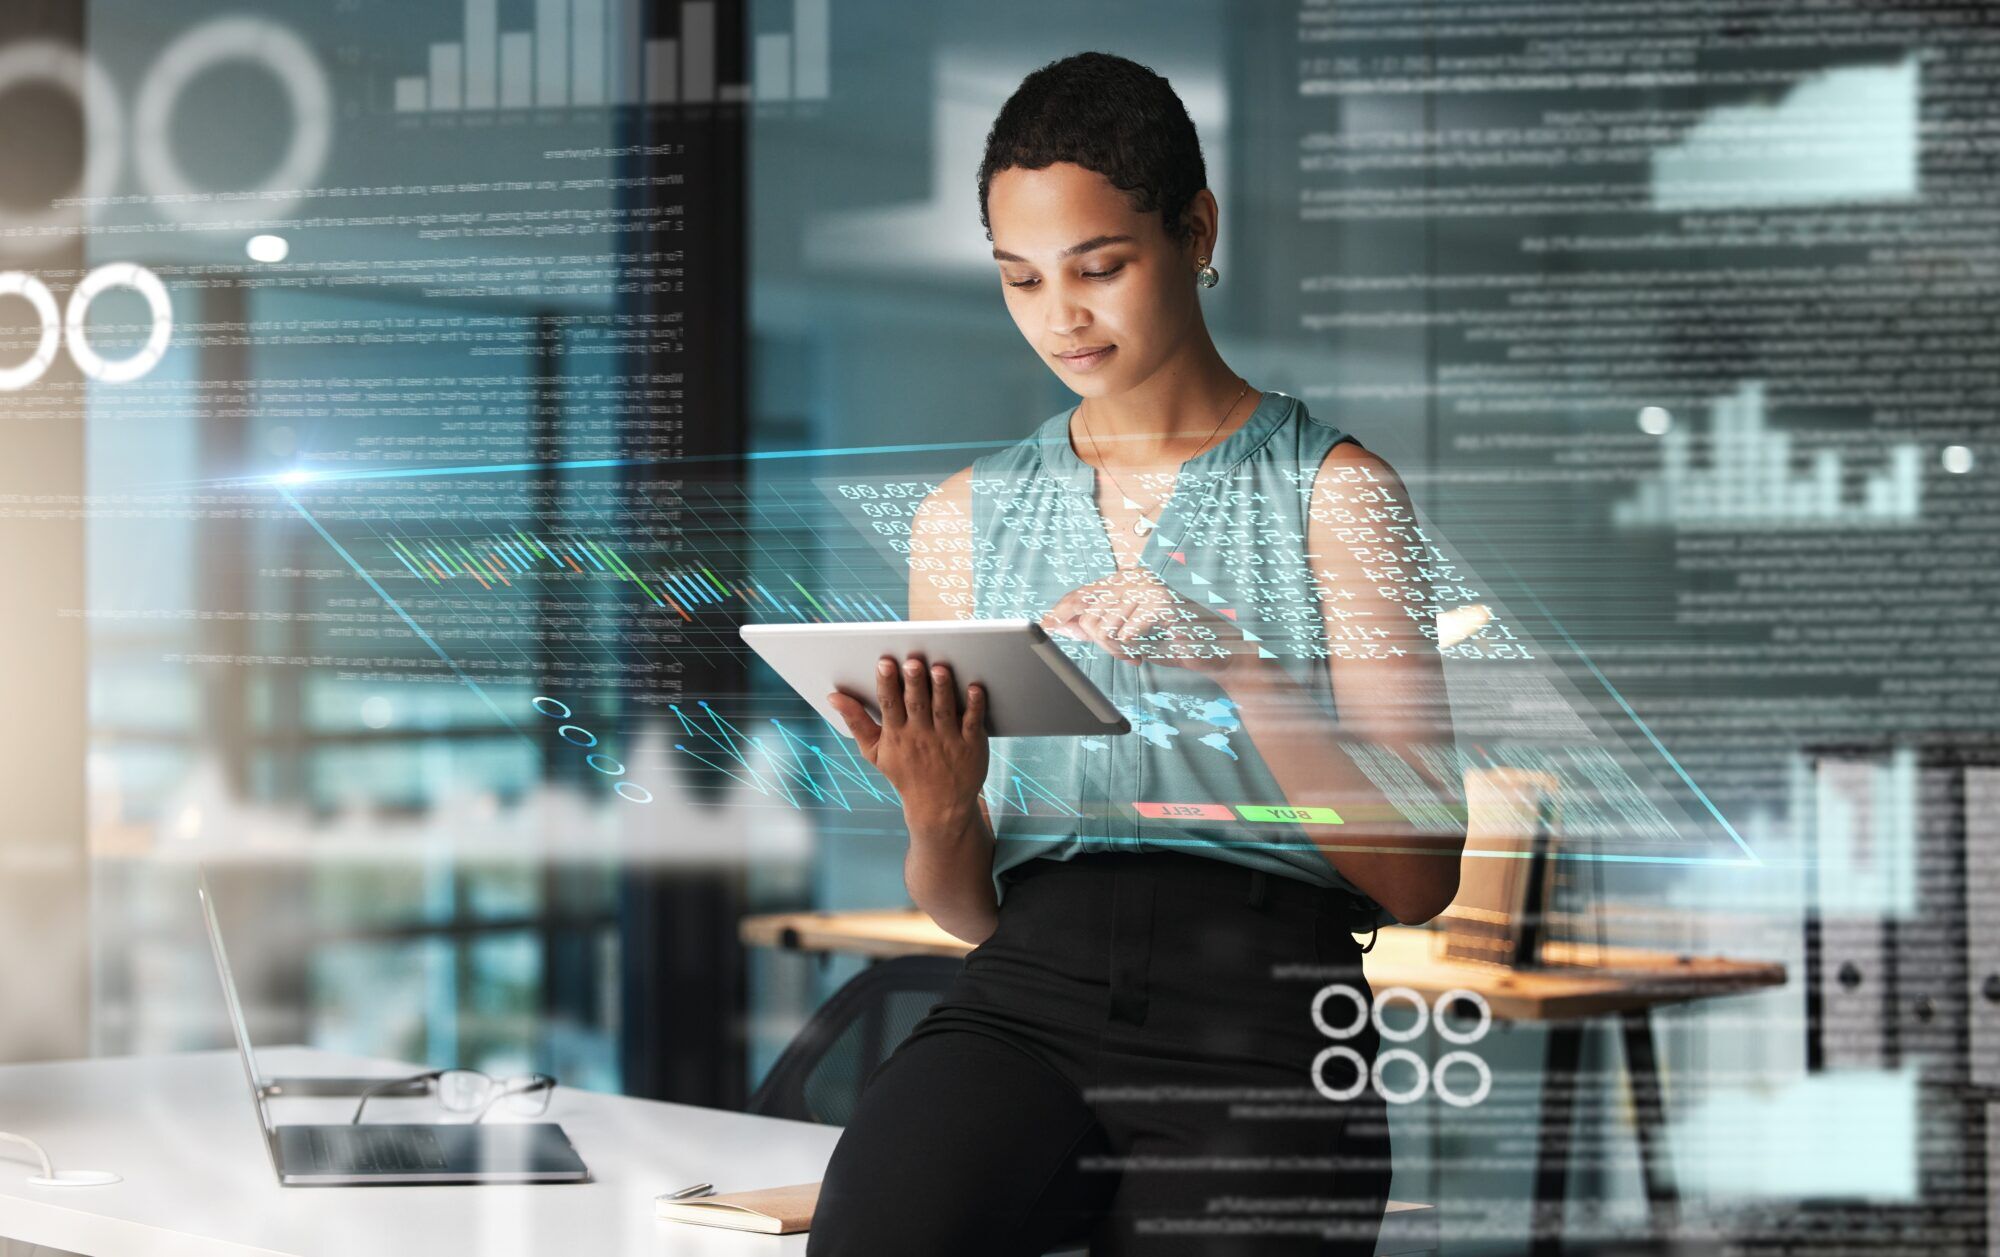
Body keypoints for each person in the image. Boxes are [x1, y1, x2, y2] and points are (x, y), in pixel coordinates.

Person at [809, 51, 1464, 1257]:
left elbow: (1419, 879)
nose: (1058, 317)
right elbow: (965, 915)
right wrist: (938, 808)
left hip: (1263, 1007)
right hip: (1026, 993)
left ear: (1194, 232)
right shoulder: (961, 518)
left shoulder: (1337, 497)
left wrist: (1246, 673)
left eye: (1098, 267)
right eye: (1020, 278)